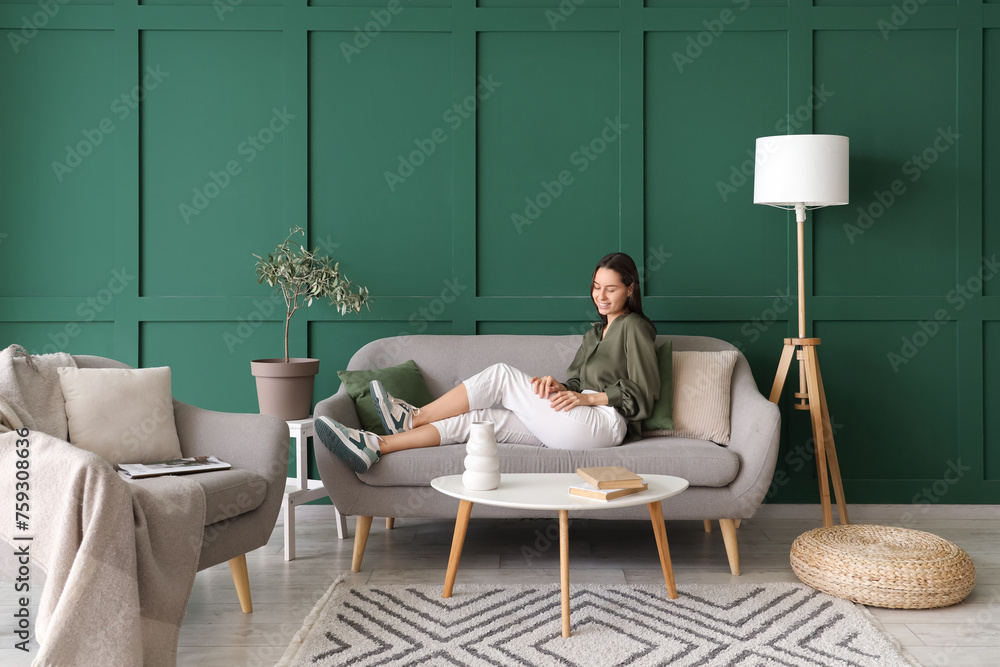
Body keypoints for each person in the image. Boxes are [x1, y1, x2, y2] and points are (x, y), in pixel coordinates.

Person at [316, 252, 660, 473]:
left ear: (630, 289)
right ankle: (376, 446)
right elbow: (574, 385)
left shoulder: (636, 328)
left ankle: (413, 416)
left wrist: (588, 398)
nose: (600, 296)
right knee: (480, 420)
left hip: (606, 424)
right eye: (596, 287)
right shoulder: (593, 334)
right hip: (576, 421)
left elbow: (645, 395)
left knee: (501, 375)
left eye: (610, 289)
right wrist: (557, 386)